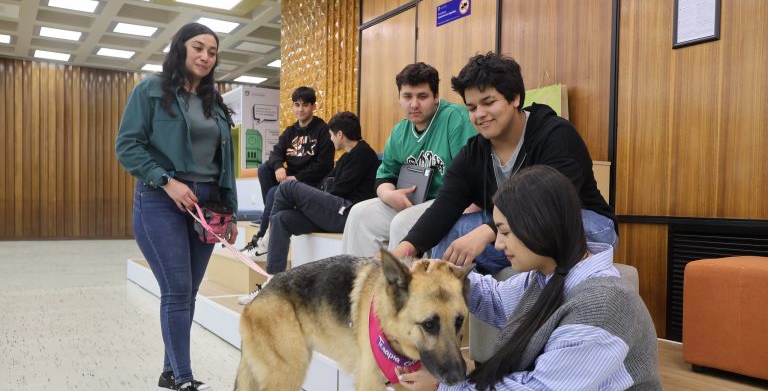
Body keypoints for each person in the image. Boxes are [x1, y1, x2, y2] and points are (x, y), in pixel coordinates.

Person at [397, 165, 664, 391]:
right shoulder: (547, 278)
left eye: (505, 232)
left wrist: (450, 379)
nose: (498, 244)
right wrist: (443, 278)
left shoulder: (603, 302)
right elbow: (497, 301)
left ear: (539, 225)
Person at [392, 52, 617, 274]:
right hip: (513, 227)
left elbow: (550, 203)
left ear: (515, 98)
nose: (480, 114)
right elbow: (444, 206)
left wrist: (489, 231)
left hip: (582, 223)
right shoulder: (474, 153)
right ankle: (443, 303)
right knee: (453, 234)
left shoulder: (556, 135)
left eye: (488, 102)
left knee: (519, 231)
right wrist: (407, 248)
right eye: (471, 108)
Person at [115, 22, 238, 391]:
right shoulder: (150, 90)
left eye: (213, 52)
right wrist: (167, 182)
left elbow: (226, 164)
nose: (205, 56)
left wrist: (230, 210)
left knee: (189, 292)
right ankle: (184, 382)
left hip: (207, 205)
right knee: (177, 289)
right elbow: (127, 146)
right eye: (198, 48)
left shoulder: (214, 103)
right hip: (161, 201)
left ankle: (170, 373)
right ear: (180, 49)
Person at [238, 112, 379, 304]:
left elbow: (339, 190)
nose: (330, 139)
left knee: (287, 187)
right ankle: (273, 284)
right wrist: (311, 199)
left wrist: (309, 199)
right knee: (282, 219)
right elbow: (326, 185)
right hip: (334, 209)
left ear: (340, 135)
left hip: (347, 213)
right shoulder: (347, 157)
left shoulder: (364, 154)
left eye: (331, 135)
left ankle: (264, 242)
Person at [341, 62, 476, 257]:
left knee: (402, 221)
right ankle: (360, 284)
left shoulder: (455, 119)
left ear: (436, 97)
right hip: (411, 202)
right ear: (399, 99)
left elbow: (470, 179)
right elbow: (384, 176)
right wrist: (389, 195)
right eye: (407, 97)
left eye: (422, 96)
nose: (414, 104)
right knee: (359, 213)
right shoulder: (399, 131)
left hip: (448, 204)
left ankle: (399, 287)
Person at [246, 86, 334, 254]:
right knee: (264, 169)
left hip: (310, 183)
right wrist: (279, 166)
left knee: (273, 192)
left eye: (305, 105)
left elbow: (324, 165)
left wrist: (297, 178)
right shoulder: (290, 131)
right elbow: (275, 153)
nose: (300, 109)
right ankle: (273, 215)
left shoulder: (322, 130)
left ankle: (264, 236)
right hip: (290, 182)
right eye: (297, 105)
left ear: (313, 107)